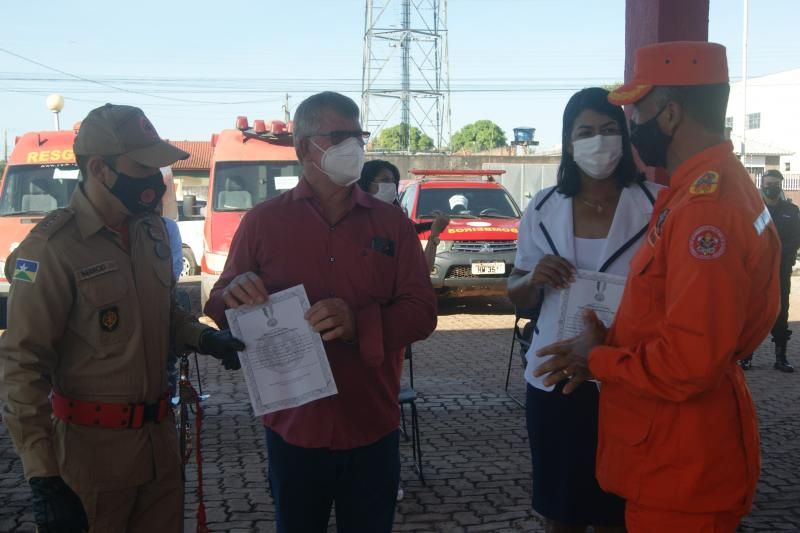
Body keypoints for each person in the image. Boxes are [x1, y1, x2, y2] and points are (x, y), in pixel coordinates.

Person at [535, 42, 780, 532]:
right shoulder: (703, 189)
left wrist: (597, 359)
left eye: (637, 110)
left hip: (680, 463)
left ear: (669, 114)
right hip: (671, 450)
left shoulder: (703, 209)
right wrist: (616, 339)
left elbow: (692, 359)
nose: (631, 125)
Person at [0, 103, 244, 532]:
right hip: (91, 460)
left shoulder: (149, 232)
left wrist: (204, 340)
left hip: (158, 448)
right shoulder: (51, 249)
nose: (155, 179)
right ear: (100, 169)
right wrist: (43, 477)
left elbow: (163, 315)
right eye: (142, 166)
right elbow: (21, 366)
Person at [204, 92, 437, 533]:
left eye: (359, 136)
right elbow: (218, 304)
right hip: (293, 426)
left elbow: (422, 313)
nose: (355, 147)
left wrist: (360, 323)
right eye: (340, 136)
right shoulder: (262, 223)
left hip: (372, 422)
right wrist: (233, 293)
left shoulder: (392, 226)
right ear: (303, 146)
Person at [507, 87, 660, 533]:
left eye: (609, 130)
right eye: (586, 132)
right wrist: (532, 278)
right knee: (562, 510)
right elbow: (515, 293)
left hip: (629, 373)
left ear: (626, 136)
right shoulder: (542, 207)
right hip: (556, 377)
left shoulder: (660, 204)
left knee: (622, 510)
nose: (599, 141)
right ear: (569, 142)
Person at [740, 169, 799, 371]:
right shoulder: (752, 210)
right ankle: (746, 355)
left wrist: (781, 260)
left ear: (781, 185)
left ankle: (781, 358)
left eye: (775, 184)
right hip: (756, 272)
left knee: (780, 313)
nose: (771, 187)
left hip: (781, 272)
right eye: (768, 183)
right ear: (761, 185)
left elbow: (794, 240)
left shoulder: (792, 211)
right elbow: (745, 239)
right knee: (752, 312)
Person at [358, 159, 450, 271]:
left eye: (393, 181)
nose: (391, 185)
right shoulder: (352, 221)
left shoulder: (398, 222)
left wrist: (434, 234)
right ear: (366, 184)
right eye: (385, 180)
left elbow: (422, 269)